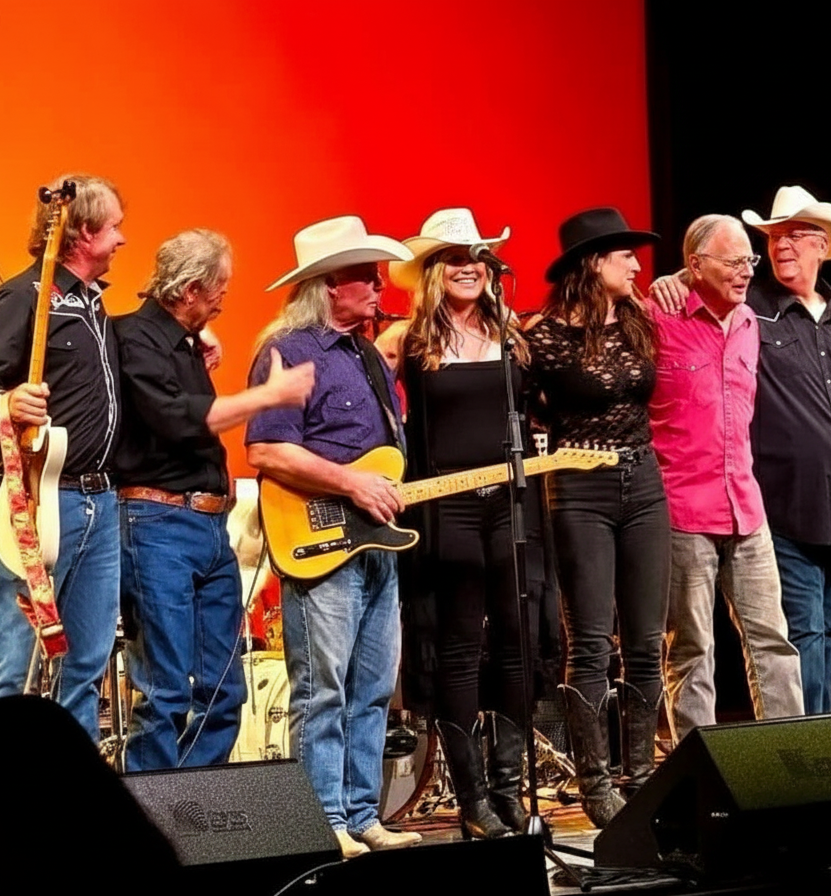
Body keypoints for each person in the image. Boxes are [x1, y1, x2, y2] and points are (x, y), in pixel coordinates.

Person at [653, 187, 831, 714]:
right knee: (724, 645)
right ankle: (727, 768)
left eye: (793, 236)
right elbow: (701, 284)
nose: (770, 254)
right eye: (768, 240)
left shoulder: (826, 322)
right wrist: (674, 279)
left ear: (822, 245)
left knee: (802, 639)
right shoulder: (716, 312)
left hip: (798, 506)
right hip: (730, 508)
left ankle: (805, 753)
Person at [246, 216, 422, 859]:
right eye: (363, 275)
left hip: (377, 541)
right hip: (322, 544)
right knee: (325, 689)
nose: (378, 285)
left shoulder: (370, 355)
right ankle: (324, 821)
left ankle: (360, 811)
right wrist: (350, 484)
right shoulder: (287, 352)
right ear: (326, 286)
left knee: (373, 687)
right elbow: (266, 449)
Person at [114, 229, 314, 772]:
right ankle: (152, 821)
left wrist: (200, 337)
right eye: (219, 289)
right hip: (156, 523)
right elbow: (176, 419)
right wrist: (268, 397)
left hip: (208, 527)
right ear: (191, 289)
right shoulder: (131, 338)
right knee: (165, 691)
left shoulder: (186, 342)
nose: (224, 299)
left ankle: (197, 811)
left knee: (225, 691)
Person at [378, 208, 543, 838]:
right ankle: (471, 795)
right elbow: (349, 382)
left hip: (511, 501)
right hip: (444, 502)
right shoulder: (407, 339)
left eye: (477, 254)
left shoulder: (514, 335)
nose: (468, 264)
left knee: (518, 640)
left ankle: (508, 786)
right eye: (453, 256)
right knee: (458, 647)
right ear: (429, 272)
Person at [0, 173, 126, 742]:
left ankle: (68, 805)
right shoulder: (21, 298)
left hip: (100, 500)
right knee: (11, 664)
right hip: (43, 497)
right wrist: (6, 399)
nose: (123, 240)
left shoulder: (96, 309)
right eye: (115, 227)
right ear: (81, 232)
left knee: (85, 665)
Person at [525, 207, 671, 827]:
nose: (637, 265)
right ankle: (594, 784)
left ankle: (639, 775)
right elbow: (527, 411)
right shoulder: (544, 336)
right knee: (588, 642)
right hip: (578, 486)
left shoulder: (639, 320)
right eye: (625, 256)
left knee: (643, 642)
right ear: (594, 264)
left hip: (644, 482)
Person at [648, 215, 803, 744]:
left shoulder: (749, 324)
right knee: (691, 647)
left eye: (749, 262)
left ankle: (793, 756)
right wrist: (665, 281)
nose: (745, 273)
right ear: (695, 266)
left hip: (745, 504)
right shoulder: (657, 317)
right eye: (733, 262)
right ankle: (703, 771)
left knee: (773, 639)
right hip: (682, 508)